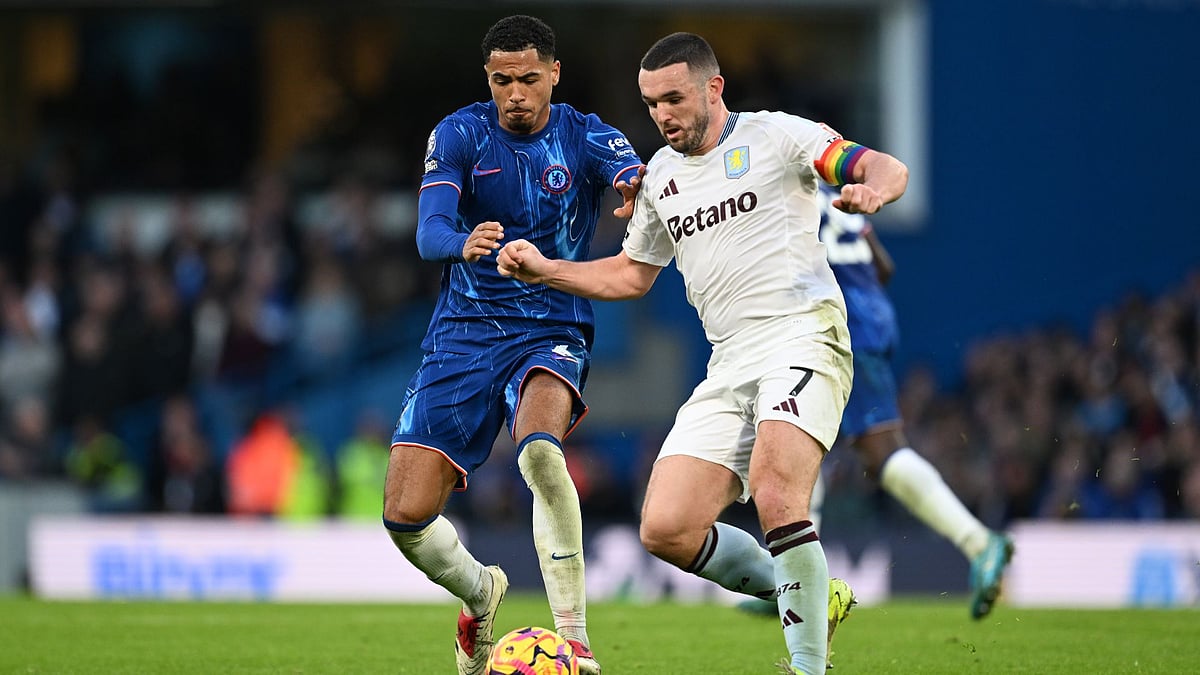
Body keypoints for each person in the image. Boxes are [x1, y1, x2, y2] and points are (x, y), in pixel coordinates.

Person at [498, 32, 907, 675]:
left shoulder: (776, 137)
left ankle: (808, 669)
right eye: (651, 102)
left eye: (674, 98)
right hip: (731, 360)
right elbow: (631, 276)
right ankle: (800, 593)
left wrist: (873, 192)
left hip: (804, 333)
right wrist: (547, 269)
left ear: (713, 89)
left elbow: (884, 166)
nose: (661, 115)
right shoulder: (660, 177)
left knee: (777, 493)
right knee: (666, 527)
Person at [381, 15, 643, 675]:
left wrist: (636, 191)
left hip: (553, 324)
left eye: (529, 78)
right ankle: (479, 588)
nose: (516, 93)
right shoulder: (460, 133)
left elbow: (630, 170)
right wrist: (461, 242)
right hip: (464, 333)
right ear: (489, 80)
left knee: (541, 453)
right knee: (404, 514)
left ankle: (575, 639)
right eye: (503, 80)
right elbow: (430, 229)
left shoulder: (583, 134)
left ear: (554, 74)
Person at [815, 183, 1015, 618]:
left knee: (869, 450)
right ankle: (792, 578)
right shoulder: (837, 197)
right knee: (806, 445)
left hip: (839, 327)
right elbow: (883, 266)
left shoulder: (779, 194)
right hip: (872, 318)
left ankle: (979, 542)